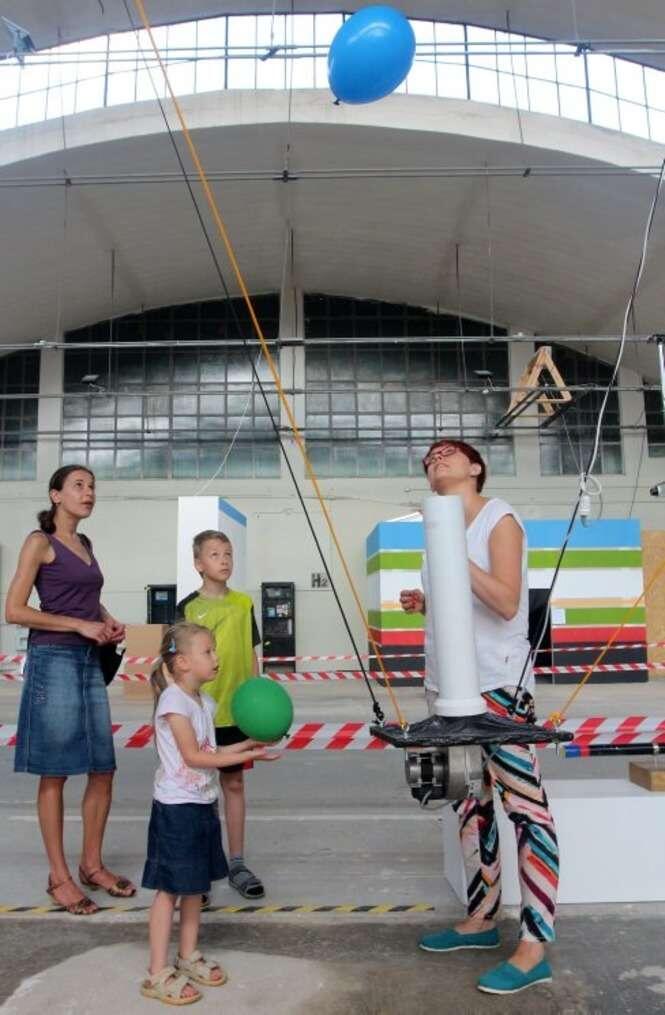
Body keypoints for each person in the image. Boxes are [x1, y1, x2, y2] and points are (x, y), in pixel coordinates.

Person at [400, 438, 557, 996]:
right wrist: (426, 599)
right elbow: (460, 602)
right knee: (471, 807)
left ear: (475, 467)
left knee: (526, 812)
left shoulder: (498, 518)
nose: (435, 458)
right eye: (429, 457)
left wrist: (451, 557)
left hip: (498, 687)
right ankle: (481, 918)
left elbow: (508, 602)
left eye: (448, 452)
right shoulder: (438, 528)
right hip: (447, 688)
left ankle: (534, 945)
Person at [6, 464, 135, 915]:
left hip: (88, 661)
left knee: (102, 768)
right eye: (79, 485)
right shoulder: (39, 542)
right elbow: (14, 610)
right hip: (54, 660)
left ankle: (91, 865)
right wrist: (78, 625)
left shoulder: (85, 544)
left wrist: (106, 619)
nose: (88, 492)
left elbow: (86, 598)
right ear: (55, 495)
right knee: (56, 772)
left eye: (92, 486)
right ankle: (58, 877)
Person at [141, 622, 278, 1006]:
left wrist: (249, 744)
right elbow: (194, 756)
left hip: (202, 803)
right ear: (183, 662)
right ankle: (156, 972)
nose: (216, 658)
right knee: (169, 890)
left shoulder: (203, 702)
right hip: (176, 809)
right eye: (208, 651)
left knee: (195, 886)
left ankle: (187, 956)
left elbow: (212, 752)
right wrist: (242, 754)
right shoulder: (174, 703)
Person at [177, 530, 264, 899]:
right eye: (214, 554)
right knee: (200, 790)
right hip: (201, 715)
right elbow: (175, 663)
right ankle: (202, 867)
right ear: (198, 564)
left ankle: (237, 863)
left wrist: (257, 703)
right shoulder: (187, 608)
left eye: (228, 553)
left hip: (236, 712)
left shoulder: (244, 603)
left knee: (234, 785)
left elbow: (252, 655)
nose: (224, 560)